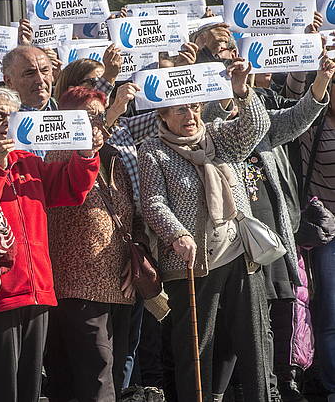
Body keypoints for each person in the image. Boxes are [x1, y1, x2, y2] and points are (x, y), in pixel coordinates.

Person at [0, 86, 103, 401]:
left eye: (12, 116)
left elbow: (68, 189)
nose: (7, 123)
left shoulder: (28, 159)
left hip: (36, 289)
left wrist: (86, 154)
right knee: (0, 386)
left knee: (30, 385)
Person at [138, 58, 272, 401]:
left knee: (253, 340)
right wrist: (178, 234)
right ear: (163, 115)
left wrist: (242, 90)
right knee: (196, 347)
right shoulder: (153, 150)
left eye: (194, 107)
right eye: (180, 109)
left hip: (239, 254)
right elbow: (153, 202)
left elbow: (256, 128)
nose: (190, 116)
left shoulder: (216, 136)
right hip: (192, 263)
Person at [205, 56, 334, 402]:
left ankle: (272, 390)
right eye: (227, 75)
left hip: (272, 239)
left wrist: (321, 78)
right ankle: (220, 394)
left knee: (274, 322)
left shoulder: (258, 119)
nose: (237, 79)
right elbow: (222, 121)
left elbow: (297, 118)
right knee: (234, 332)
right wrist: (230, 96)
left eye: (240, 74)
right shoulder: (205, 125)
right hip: (233, 246)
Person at [45, 86, 145, 402]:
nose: (95, 124)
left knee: (113, 373)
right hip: (77, 287)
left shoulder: (113, 157)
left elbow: (132, 215)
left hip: (119, 285)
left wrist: (136, 257)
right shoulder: (58, 155)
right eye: (87, 117)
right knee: (95, 373)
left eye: (100, 118)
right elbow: (72, 187)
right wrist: (85, 153)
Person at [299, 73, 335, 402]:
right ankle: (331, 383)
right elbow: (295, 95)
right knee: (330, 312)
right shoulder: (315, 125)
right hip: (329, 235)